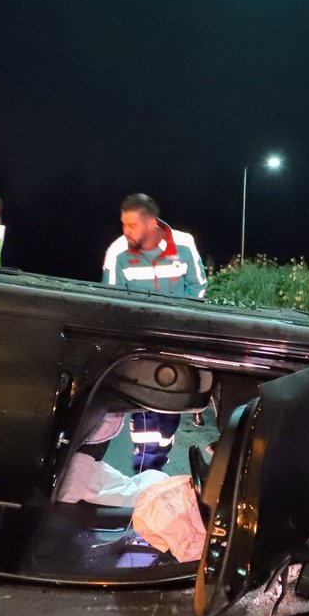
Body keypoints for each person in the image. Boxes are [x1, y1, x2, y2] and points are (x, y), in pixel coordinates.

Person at [101, 193, 207, 471]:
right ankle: (144, 468)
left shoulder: (183, 244)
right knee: (144, 408)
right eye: (123, 224)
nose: (126, 231)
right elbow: (110, 300)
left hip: (176, 343)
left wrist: (185, 327)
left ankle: (157, 460)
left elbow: (198, 288)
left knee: (170, 407)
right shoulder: (118, 252)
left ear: (151, 223)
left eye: (132, 225)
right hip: (140, 346)